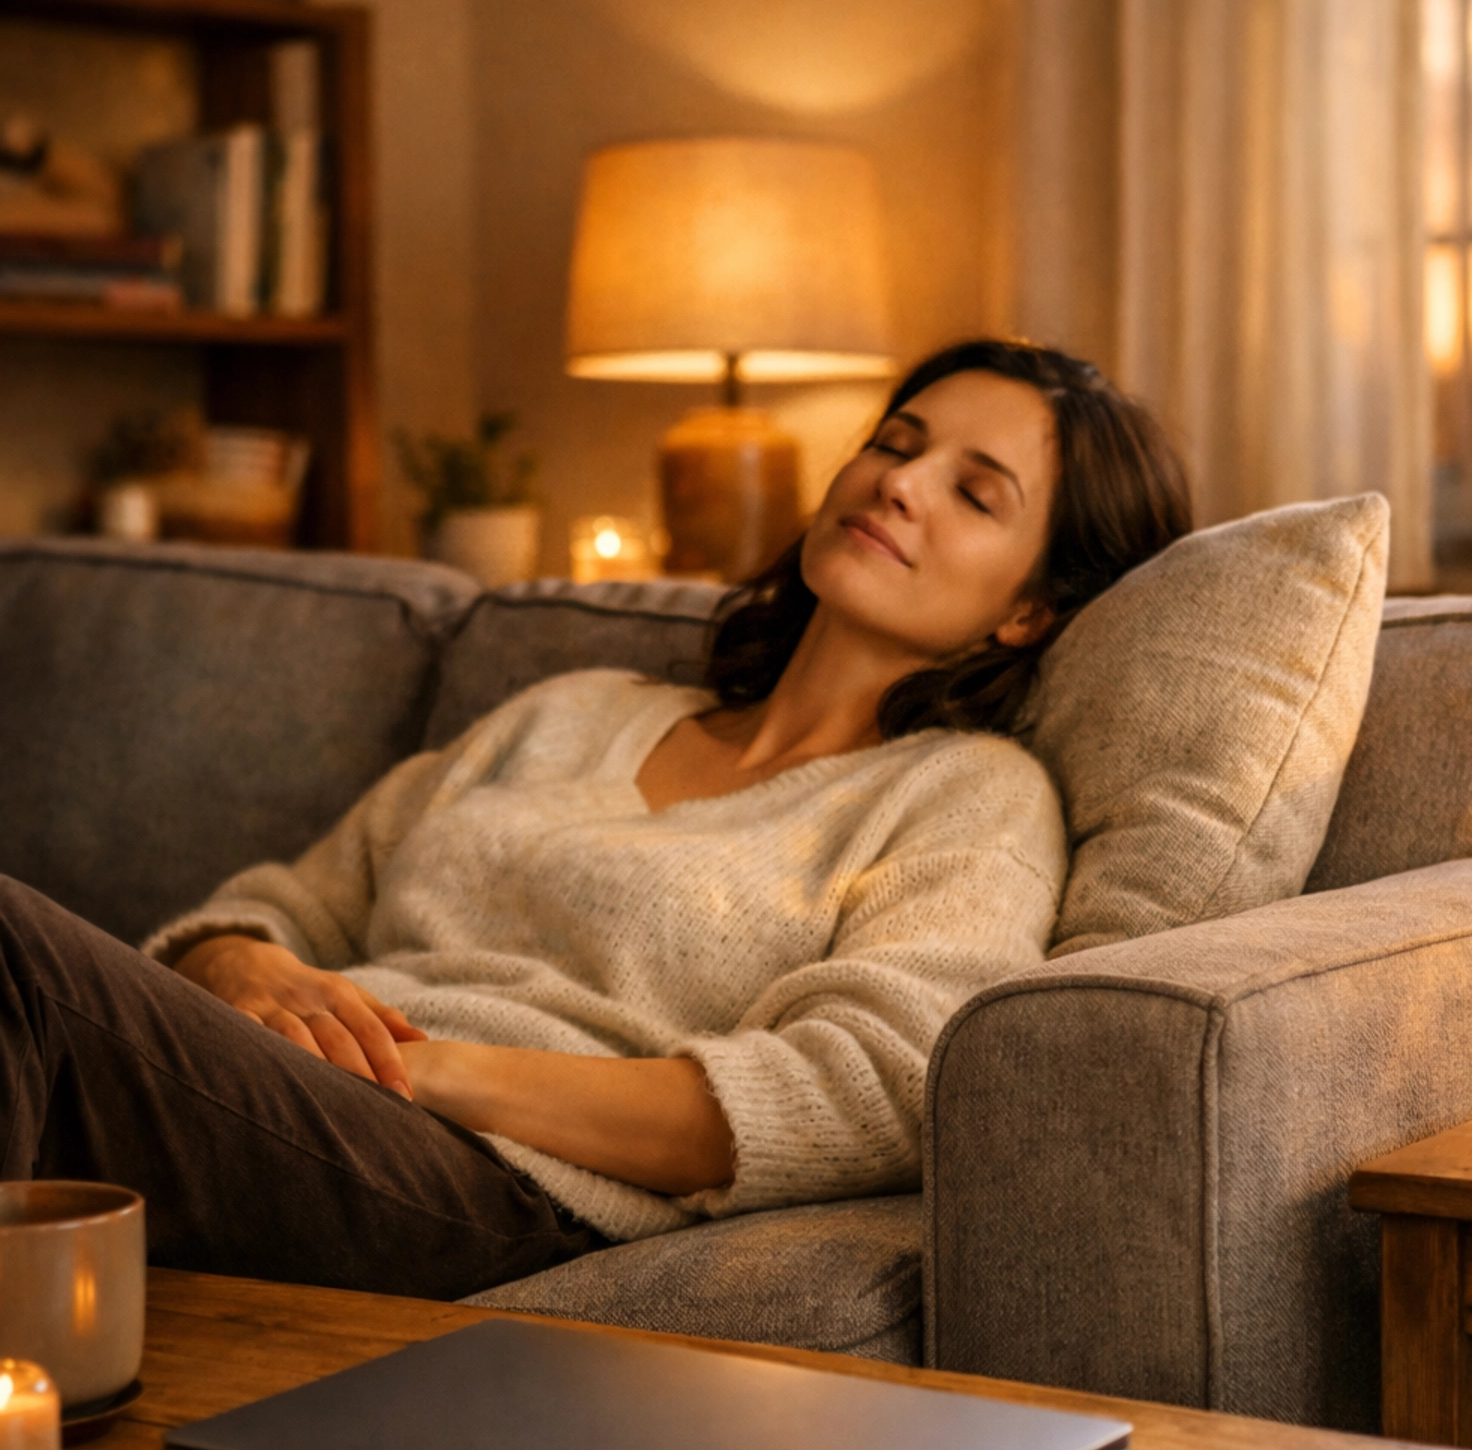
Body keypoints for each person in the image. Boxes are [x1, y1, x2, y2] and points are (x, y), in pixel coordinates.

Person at [0, 340, 1189, 1297]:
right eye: (895, 442)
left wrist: (440, 1072)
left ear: (1029, 611)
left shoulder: (966, 797)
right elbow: (292, 900)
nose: (898, 483)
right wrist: (238, 961)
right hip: (303, 1094)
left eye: (973, 493)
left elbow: (865, 1089)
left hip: (490, 1183)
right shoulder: (573, 711)